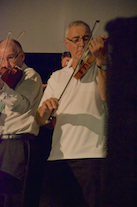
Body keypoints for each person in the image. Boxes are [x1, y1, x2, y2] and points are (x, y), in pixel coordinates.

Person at [36, 20, 107, 207]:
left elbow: (108, 95)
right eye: (76, 39)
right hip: (59, 157)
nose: (81, 44)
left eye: (86, 38)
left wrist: (101, 61)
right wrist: (44, 110)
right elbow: (40, 120)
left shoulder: (102, 67)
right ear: (66, 43)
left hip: (94, 155)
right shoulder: (57, 76)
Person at [0, 39, 43, 206]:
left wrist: (3, 88)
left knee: (13, 197)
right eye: (2, 59)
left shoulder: (30, 76)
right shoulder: (5, 79)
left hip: (16, 143)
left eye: (10, 57)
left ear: (22, 56)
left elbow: (23, 106)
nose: (6, 64)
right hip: (3, 141)